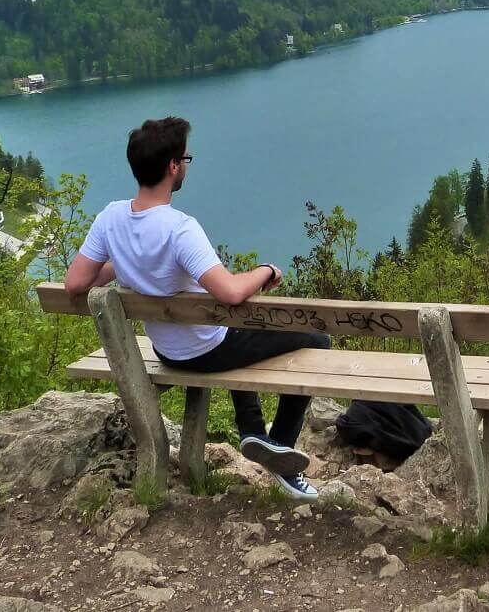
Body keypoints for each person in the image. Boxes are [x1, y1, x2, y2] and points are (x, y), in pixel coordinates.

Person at [63, 115, 329, 500]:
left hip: (167, 351)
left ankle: (253, 431)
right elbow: (231, 293)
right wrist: (265, 271)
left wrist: (120, 261)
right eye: (185, 159)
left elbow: (75, 283)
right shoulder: (179, 228)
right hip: (206, 351)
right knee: (315, 339)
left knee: (239, 332)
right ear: (172, 167)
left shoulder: (111, 218)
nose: (185, 165)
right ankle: (280, 447)